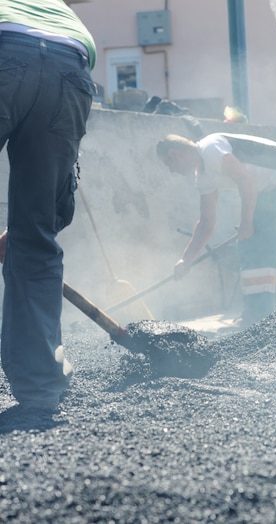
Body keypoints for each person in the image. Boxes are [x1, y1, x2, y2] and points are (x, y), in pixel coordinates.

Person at [0, 0, 97, 410]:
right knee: (36, 240)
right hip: (70, 68)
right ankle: (40, 387)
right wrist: (23, 233)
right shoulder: (57, 8)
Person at [157, 132, 276, 327]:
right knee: (254, 248)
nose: (172, 171)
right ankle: (258, 319)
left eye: (168, 164)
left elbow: (246, 181)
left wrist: (247, 222)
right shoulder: (203, 177)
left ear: (175, 154)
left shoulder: (210, 148)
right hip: (263, 192)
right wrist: (186, 259)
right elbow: (206, 223)